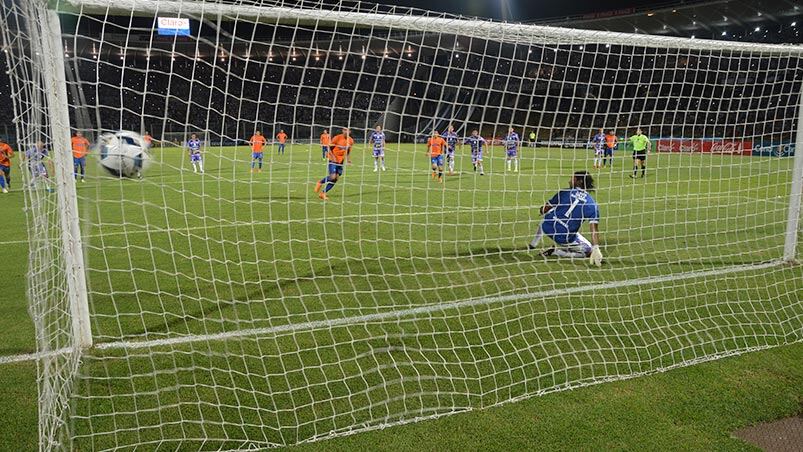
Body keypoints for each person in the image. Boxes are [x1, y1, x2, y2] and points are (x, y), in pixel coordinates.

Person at [529, 170, 602, 266]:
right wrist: (596, 247)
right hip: (564, 237)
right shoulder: (592, 205)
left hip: (548, 227)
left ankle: (534, 243)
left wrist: (542, 210)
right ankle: (557, 252)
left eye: (572, 178)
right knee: (589, 251)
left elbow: (545, 209)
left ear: (579, 181)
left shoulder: (564, 192)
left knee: (550, 212)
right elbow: (594, 230)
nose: (569, 181)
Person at [314, 127, 353, 200]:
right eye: (344, 130)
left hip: (340, 161)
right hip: (333, 159)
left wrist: (348, 160)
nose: (345, 131)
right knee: (333, 177)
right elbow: (329, 147)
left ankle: (323, 193)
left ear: (350, 131)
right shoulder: (337, 138)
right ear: (342, 131)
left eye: (347, 130)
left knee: (336, 179)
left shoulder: (351, 140)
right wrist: (333, 157)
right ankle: (320, 182)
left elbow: (348, 151)